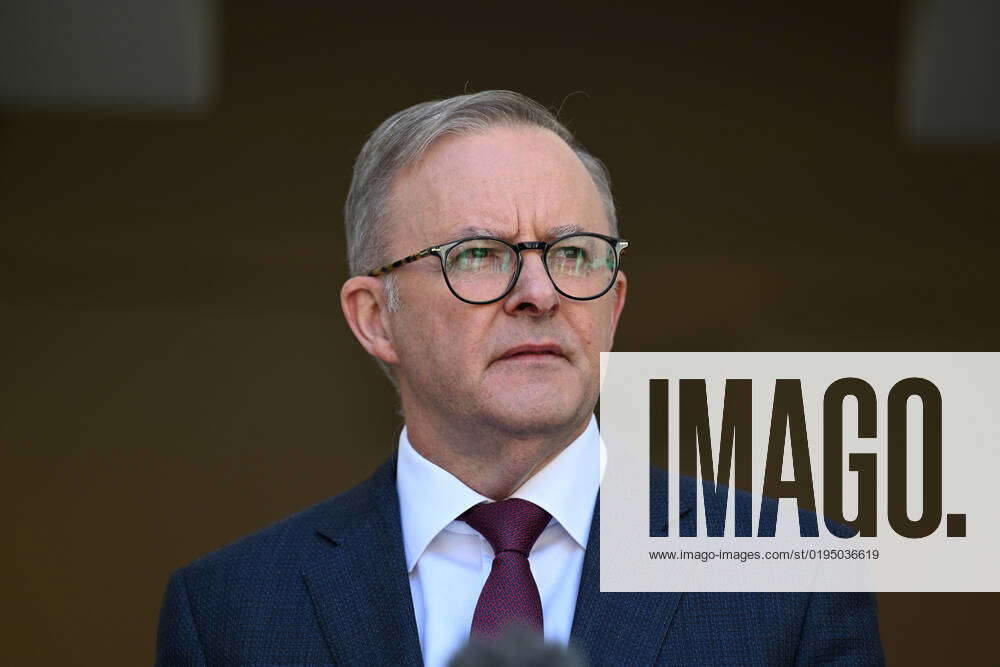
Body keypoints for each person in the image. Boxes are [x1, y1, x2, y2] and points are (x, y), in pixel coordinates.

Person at [156, 90, 884, 665]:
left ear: (614, 305)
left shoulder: (790, 580)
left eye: (573, 254)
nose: (539, 292)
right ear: (376, 317)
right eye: (478, 254)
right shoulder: (231, 610)